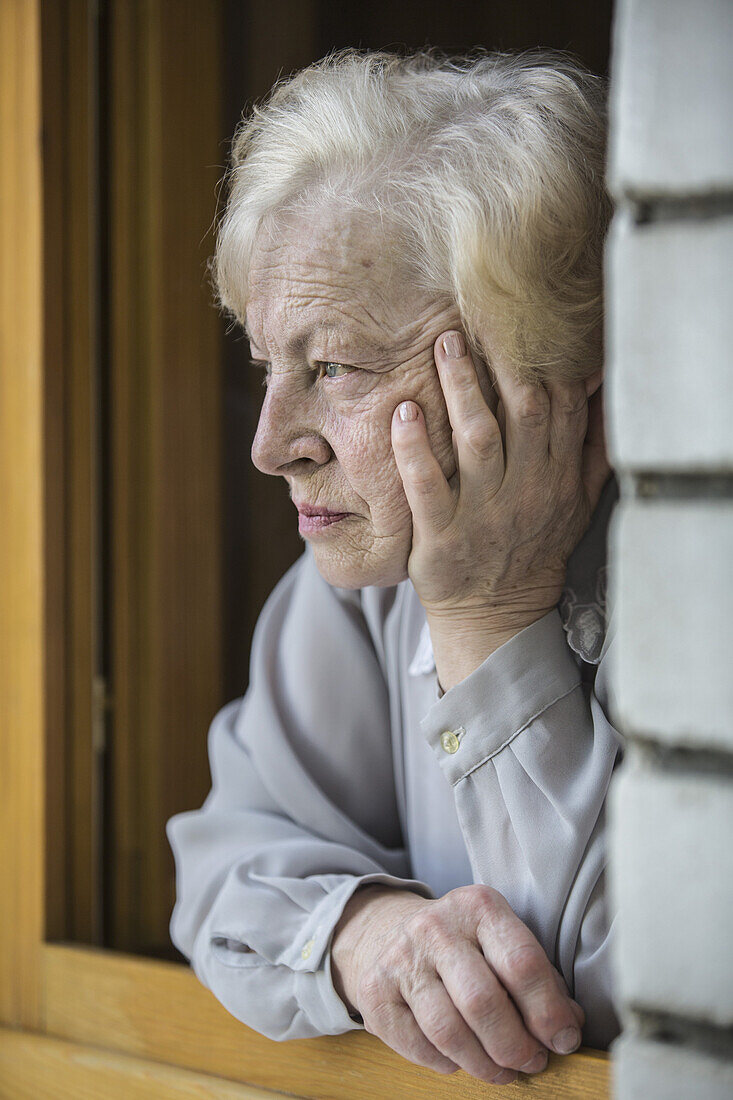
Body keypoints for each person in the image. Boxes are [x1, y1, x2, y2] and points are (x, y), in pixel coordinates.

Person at [166, 48, 623, 1088]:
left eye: (333, 367)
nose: (273, 444)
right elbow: (216, 868)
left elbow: (609, 1009)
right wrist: (359, 933)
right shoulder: (362, 577)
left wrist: (488, 614)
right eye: (268, 368)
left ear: (540, 376)